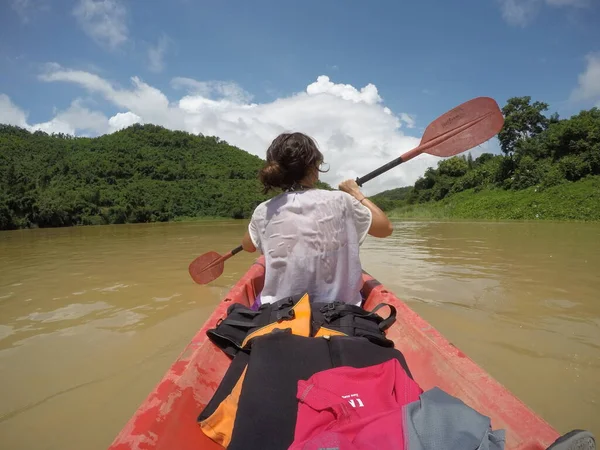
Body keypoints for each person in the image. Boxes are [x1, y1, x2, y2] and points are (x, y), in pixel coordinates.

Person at [242, 132, 393, 307]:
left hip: (279, 312)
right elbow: (385, 228)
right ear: (313, 167)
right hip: (339, 312)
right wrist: (354, 192)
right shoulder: (342, 200)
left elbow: (248, 246)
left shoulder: (264, 210)